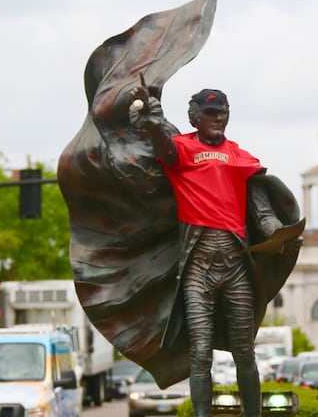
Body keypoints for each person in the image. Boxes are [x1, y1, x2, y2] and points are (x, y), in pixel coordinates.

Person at [127, 85, 300, 417]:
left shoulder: (241, 158)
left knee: (244, 353)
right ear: (195, 117)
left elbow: (262, 214)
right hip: (198, 266)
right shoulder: (181, 149)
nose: (218, 118)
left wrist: (280, 236)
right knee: (200, 354)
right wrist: (152, 121)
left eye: (222, 112)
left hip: (236, 265)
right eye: (210, 112)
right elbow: (162, 146)